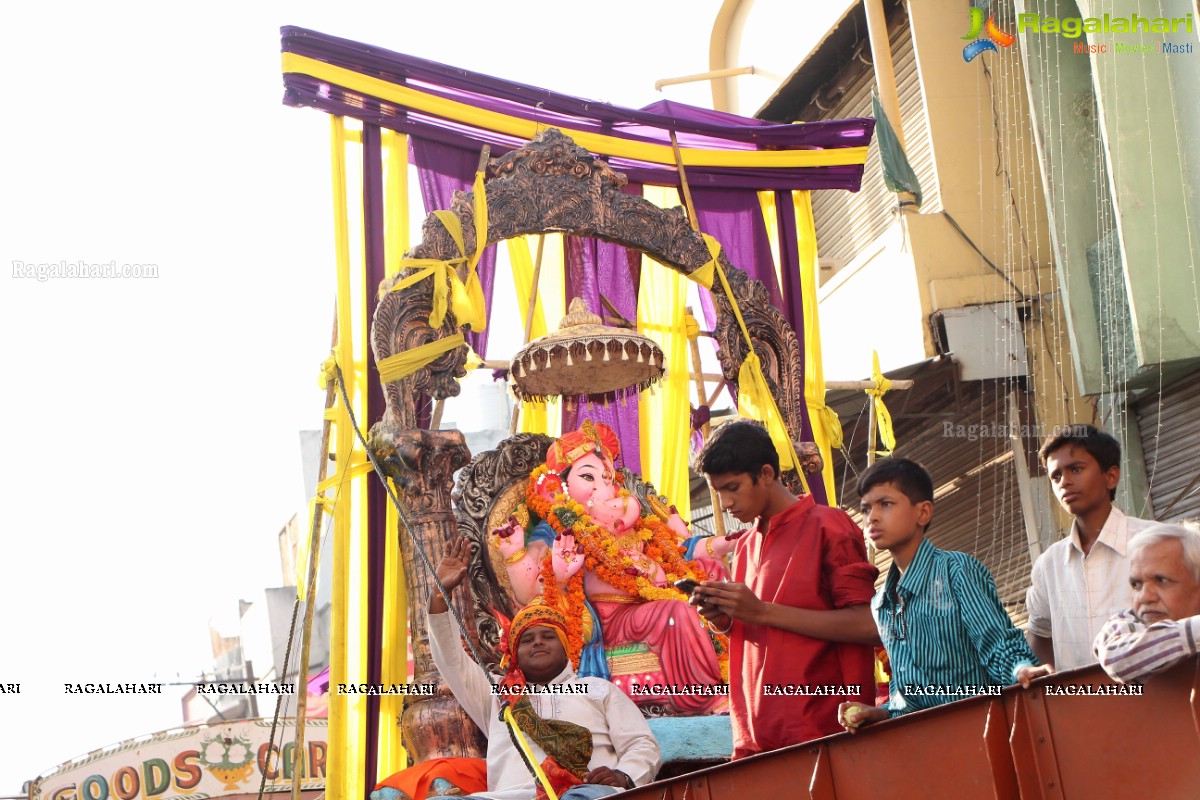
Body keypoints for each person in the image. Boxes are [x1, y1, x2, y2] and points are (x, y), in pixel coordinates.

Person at [494, 419, 728, 714]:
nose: (602, 487)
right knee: (676, 614)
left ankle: (739, 677)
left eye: (607, 479)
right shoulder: (559, 527)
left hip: (650, 600)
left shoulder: (636, 525)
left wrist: (721, 544)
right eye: (588, 477)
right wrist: (516, 554)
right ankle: (705, 699)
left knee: (714, 584)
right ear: (561, 485)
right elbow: (533, 594)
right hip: (610, 619)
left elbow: (678, 553)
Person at [692, 420, 879, 758]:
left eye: (732, 487)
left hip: (824, 734)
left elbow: (869, 625)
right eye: (718, 491)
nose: (725, 503)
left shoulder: (829, 525)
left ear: (766, 473)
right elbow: (763, 628)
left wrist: (760, 611)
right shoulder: (747, 545)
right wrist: (725, 619)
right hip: (757, 739)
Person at [428, 536, 661, 800]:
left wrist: (624, 775)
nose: (537, 641)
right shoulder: (495, 694)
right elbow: (450, 659)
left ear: (565, 648)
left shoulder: (598, 690)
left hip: (584, 794)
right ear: (515, 654)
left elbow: (640, 743)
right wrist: (439, 593)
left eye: (548, 636)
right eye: (527, 639)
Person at [839, 459, 1051, 733]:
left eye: (886, 504)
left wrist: (1021, 669)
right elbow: (907, 694)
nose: (872, 517)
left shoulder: (957, 571)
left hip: (983, 733)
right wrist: (881, 713)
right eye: (866, 509)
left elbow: (998, 644)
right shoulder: (881, 604)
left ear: (923, 512)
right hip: (922, 748)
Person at [1025, 424, 1155, 671]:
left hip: (1153, 701)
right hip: (1078, 704)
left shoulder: (1153, 543)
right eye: (1056, 476)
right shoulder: (1048, 565)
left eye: (1076, 469)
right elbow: (1039, 633)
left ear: (1111, 476)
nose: (1064, 482)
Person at [1095, 523, 1200, 683]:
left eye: (1161, 580)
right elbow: (1116, 659)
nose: (1144, 597)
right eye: (1136, 584)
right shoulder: (1126, 623)